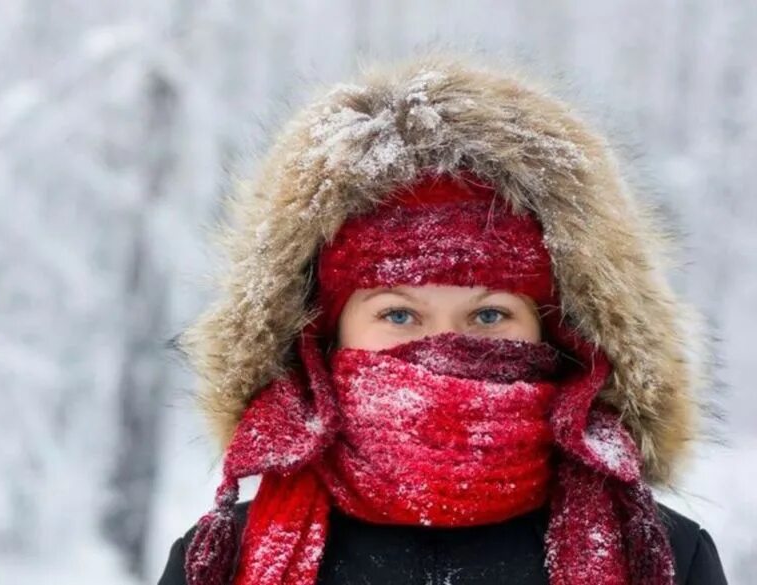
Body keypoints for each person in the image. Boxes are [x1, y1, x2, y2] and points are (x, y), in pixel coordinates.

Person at [157, 56, 729, 584]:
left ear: (555, 333)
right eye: (399, 313)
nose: (444, 345)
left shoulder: (662, 558)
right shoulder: (223, 560)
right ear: (323, 337)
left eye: (489, 313)